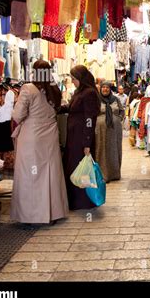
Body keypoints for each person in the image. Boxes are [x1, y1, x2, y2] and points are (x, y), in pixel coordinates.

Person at [11, 60, 69, 224]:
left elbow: (17, 115)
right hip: (50, 136)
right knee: (50, 173)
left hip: (31, 137)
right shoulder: (55, 90)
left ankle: (31, 216)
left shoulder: (28, 89)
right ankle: (53, 212)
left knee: (30, 174)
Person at [61, 65, 101, 210]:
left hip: (82, 139)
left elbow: (90, 119)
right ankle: (75, 200)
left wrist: (87, 143)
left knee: (81, 170)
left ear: (81, 78)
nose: (72, 81)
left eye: (74, 79)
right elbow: (73, 109)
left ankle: (82, 201)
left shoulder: (89, 93)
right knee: (75, 169)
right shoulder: (80, 92)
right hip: (74, 138)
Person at [95, 81, 125, 182]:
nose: (105, 89)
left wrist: (119, 119)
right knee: (101, 150)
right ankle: (103, 175)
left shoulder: (115, 99)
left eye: (107, 87)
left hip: (115, 130)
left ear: (110, 89)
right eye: (103, 87)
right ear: (100, 89)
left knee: (114, 149)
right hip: (101, 131)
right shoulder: (96, 99)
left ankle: (114, 174)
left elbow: (122, 110)